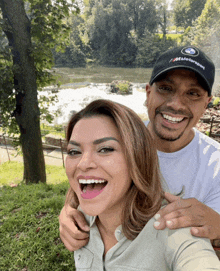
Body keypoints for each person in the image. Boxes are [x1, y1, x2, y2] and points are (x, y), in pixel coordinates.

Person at [59, 46, 220, 255]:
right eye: (165, 88)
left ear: (207, 104)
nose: (176, 104)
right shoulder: (118, 138)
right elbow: (83, 176)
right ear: (148, 92)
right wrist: (68, 211)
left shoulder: (215, 165)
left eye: (192, 93)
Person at [64, 99, 220, 271]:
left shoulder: (172, 228)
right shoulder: (78, 221)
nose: (83, 163)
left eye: (105, 149)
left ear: (137, 157)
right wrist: (68, 207)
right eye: (74, 151)